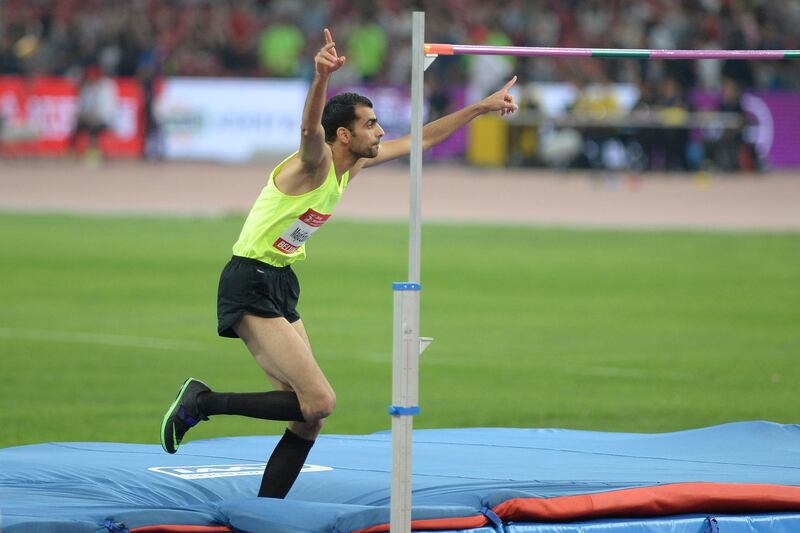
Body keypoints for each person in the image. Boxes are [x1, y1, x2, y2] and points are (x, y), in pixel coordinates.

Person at [159, 28, 518, 499]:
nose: (381, 130)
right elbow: (310, 129)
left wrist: (480, 108)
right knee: (321, 400)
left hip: (281, 281)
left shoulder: (355, 165)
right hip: (250, 279)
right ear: (345, 133)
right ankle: (201, 403)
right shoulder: (315, 162)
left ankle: (268, 513)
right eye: (371, 123)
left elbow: (420, 141)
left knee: (308, 418)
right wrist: (321, 77)